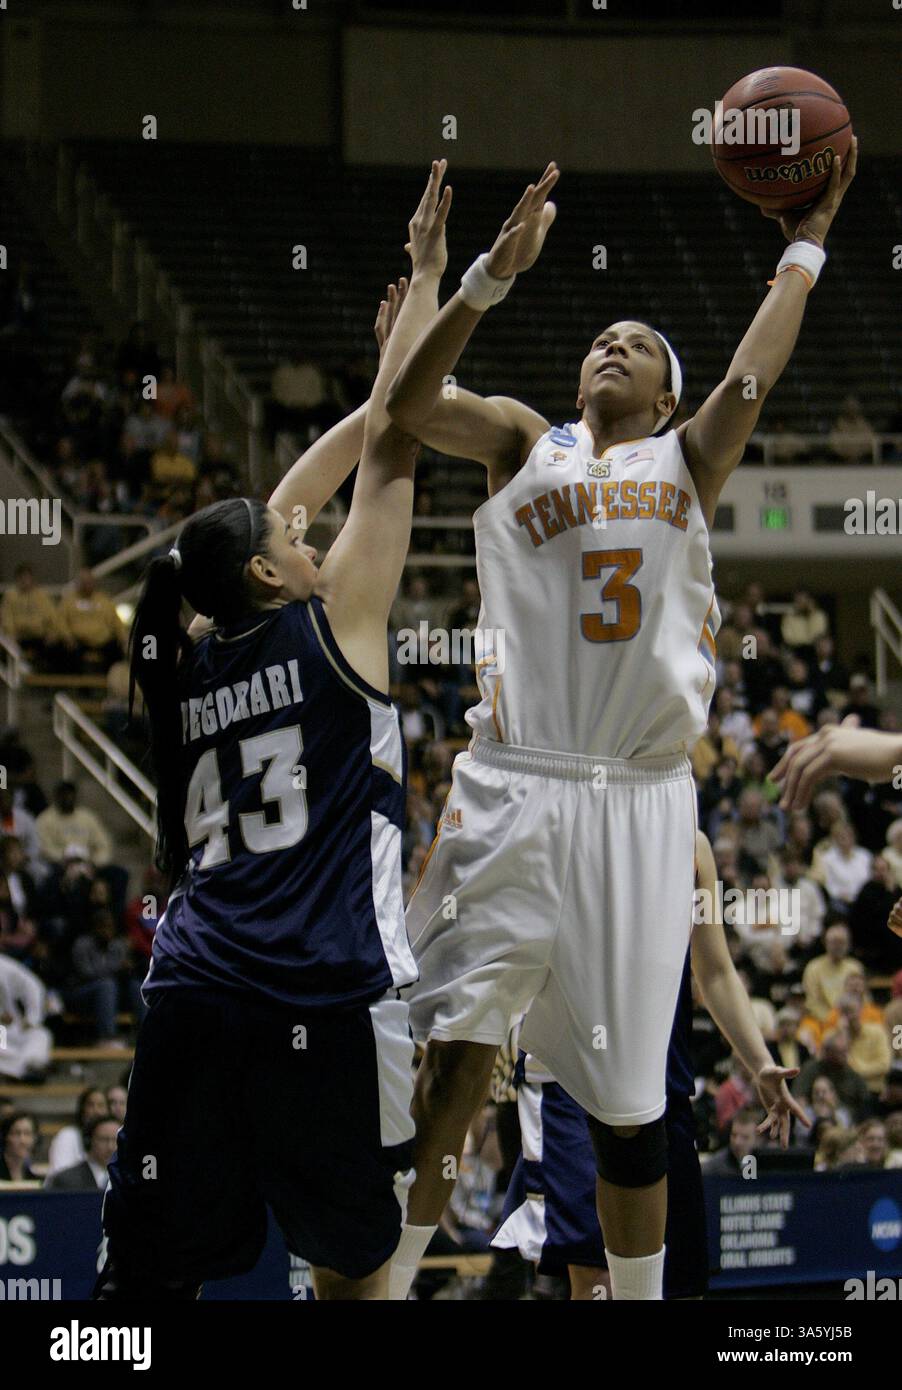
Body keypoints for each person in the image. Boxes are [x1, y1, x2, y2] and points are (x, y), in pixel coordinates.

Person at [383, 144, 857, 1302]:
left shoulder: (687, 457)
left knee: (629, 1100)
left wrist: (803, 245)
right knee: (451, 1059)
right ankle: (387, 1275)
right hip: (509, 780)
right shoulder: (519, 437)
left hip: (636, 798)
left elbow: (751, 374)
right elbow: (401, 407)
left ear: (662, 395)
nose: (610, 345)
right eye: (601, 335)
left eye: (637, 346)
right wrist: (478, 280)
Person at [92, 164, 451, 1303]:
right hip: (323, 999)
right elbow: (393, 452)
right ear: (264, 570)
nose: (306, 535)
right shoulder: (332, 629)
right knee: (353, 1271)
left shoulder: (184, 663)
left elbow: (290, 504)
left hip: (194, 997)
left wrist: (387, 378)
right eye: (286, 538)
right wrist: (431, 293)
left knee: (143, 1288)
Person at [492, 833, 805, 1297]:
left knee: (678, 1287)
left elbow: (715, 969)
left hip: (662, 1082)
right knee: (600, 1285)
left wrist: (759, 1063)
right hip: (572, 1080)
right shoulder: (566, 811)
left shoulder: (692, 842)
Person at [55, 569, 127, 673]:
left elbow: (116, 622)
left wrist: (123, 638)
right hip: (78, 642)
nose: (87, 585)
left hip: (102, 641)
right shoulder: (69, 601)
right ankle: (77, 685)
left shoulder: (104, 600)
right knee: (63, 651)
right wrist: (67, 637)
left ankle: (110, 681)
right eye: (84, 582)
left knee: (117, 650)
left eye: (89, 582)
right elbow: (60, 621)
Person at [0, 953, 52, 1080]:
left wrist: (31, 1018)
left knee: (40, 1035)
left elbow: (32, 985)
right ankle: (21, 1071)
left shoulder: (4, 966)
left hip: (8, 1030)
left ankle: (23, 1069)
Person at [0, 565, 59, 666]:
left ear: (32, 579)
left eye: (27, 578)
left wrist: (51, 633)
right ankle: (19, 671)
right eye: (21, 578)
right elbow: (6, 618)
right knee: (7, 646)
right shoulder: (10, 597)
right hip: (18, 636)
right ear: (17, 579)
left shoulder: (42, 596)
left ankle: (41, 675)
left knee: (55, 646)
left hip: (39, 636)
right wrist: (11, 633)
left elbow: (52, 617)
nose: (24, 581)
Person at [46, 1086, 109, 1178]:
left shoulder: (114, 1139)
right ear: (82, 1110)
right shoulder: (68, 1135)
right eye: (91, 1105)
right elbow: (62, 1177)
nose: (96, 1111)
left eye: (101, 1105)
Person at [45, 1115, 119, 1192]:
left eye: (116, 1140)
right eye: (103, 1140)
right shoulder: (65, 1180)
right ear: (88, 1141)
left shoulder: (129, 1177)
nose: (111, 1147)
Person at [0, 1110, 38, 1182]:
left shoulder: (32, 1177)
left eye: (27, 1134)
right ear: (6, 1137)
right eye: (16, 1133)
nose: (22, 1141)